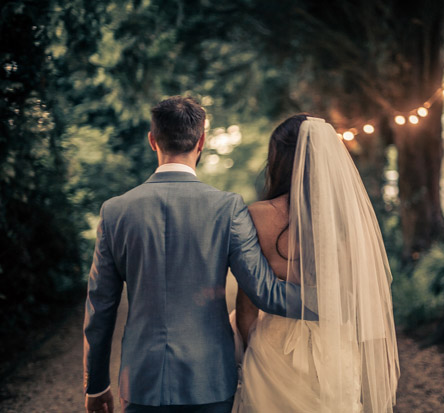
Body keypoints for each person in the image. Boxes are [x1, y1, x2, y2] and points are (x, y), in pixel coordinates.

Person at [83, 96, 305, 413]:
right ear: (201, 141)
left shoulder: (115, 211)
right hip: (210, 378)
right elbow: (266, 293)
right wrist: (334, 303)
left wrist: (96, 384)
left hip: (142, 380)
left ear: (152, 140)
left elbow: (100, 306)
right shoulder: (228, 208)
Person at [232, 115, 400, 412]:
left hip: (274, 348)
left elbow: (247, 305)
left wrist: (253, 351)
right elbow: (362, 298)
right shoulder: (349, 220)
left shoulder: (256, 215)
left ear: (278, 159)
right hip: (334, 349)